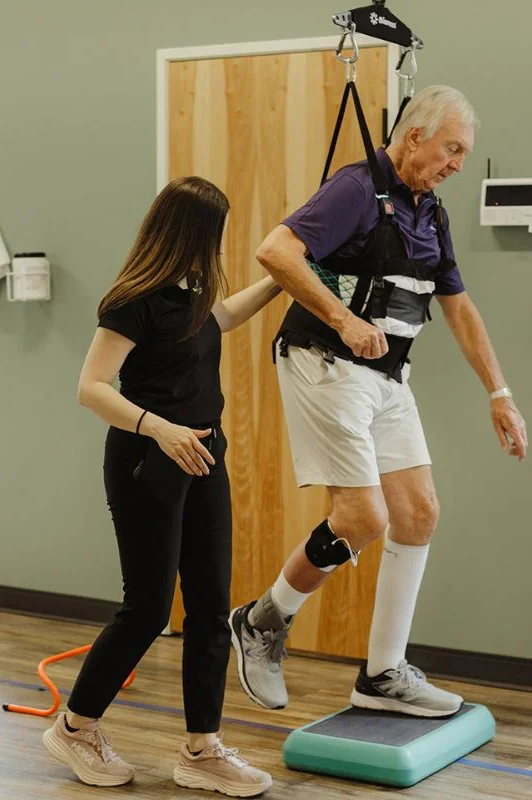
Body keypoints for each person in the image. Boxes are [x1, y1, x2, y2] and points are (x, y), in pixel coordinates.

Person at [229, 85, 528, 718]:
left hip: (389, 376)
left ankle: (383, 673)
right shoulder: (357, 187)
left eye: (464, 154)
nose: (457, 164)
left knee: (418, 513)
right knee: (363, 518)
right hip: (326, 362)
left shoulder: (431, 212)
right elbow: (275, 251)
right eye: (452, 149)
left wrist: (499, 393)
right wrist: (342, 318)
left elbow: (458, 308)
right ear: (414, 136)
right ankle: (261, 621)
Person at [43, 176, 280, 796]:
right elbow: (91, 387)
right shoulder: (135, 299)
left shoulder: (194, 294)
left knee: (211, 607)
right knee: (147, 609)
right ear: (190, 234)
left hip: (203, 455)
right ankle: (74, 728)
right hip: (147, 459)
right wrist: (159, 428)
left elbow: (223, 318)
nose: (219, 247)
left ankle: (202, 750)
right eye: (214, 234)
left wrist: (282, 278)